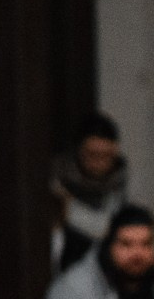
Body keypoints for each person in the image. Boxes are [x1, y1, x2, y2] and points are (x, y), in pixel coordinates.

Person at [52, 112, 129, 271]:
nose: (99, 163)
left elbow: (112, 230)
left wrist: (69, 209)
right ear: (79, 151)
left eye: (106, 156)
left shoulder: (120, 180)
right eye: (92, 155)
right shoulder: (58, 178)